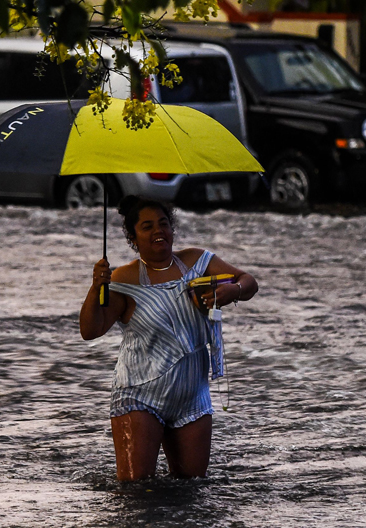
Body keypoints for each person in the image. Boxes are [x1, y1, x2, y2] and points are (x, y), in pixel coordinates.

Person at [79, 196, 258, 481]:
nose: (158, 231)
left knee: (192, 490)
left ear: (173, 229)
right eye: (147, 226)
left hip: (193, 396)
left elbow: (249, 281)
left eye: (163, 223)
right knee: (134, 492)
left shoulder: (198, 262)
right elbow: (90, 330)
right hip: (138, 395)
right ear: (133, 237)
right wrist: (95, 288)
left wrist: (232, 291)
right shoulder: (123, 279)